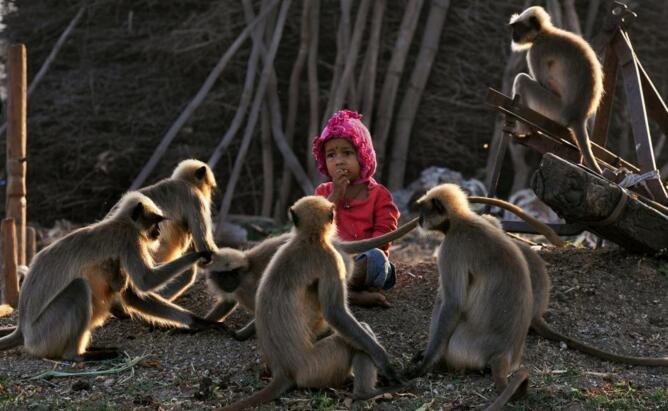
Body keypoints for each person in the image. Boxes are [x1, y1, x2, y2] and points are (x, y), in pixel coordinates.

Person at [312, 110, 399, 307]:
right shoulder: (323, 192)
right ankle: (352, 296)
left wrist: (354, 260)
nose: (339, 161)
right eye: (331, 155)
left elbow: (384, 237)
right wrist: (335, 196)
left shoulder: (379, 195)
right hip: (330, 263)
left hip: (363, 262)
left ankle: (336, 292)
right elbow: (314, 229)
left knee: (376, 258)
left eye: (347, 153)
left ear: (363, 156)